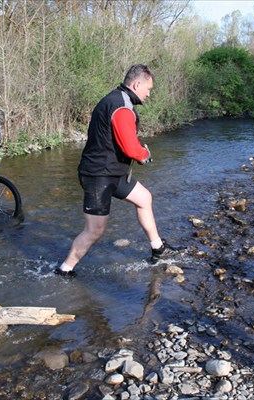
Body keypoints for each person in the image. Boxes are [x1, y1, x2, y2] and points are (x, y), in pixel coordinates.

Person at [56, 64, 180, 277]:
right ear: (137, 83)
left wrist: (137, 153)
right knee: (94, 230)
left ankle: (158, 248)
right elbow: (131, 148)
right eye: (148, 89)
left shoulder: (118, 100)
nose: (148, 94)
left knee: (144, 198)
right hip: (98, 175)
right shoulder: (121, 106)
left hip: (114, 172)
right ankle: (65, 269)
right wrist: (144, 155)